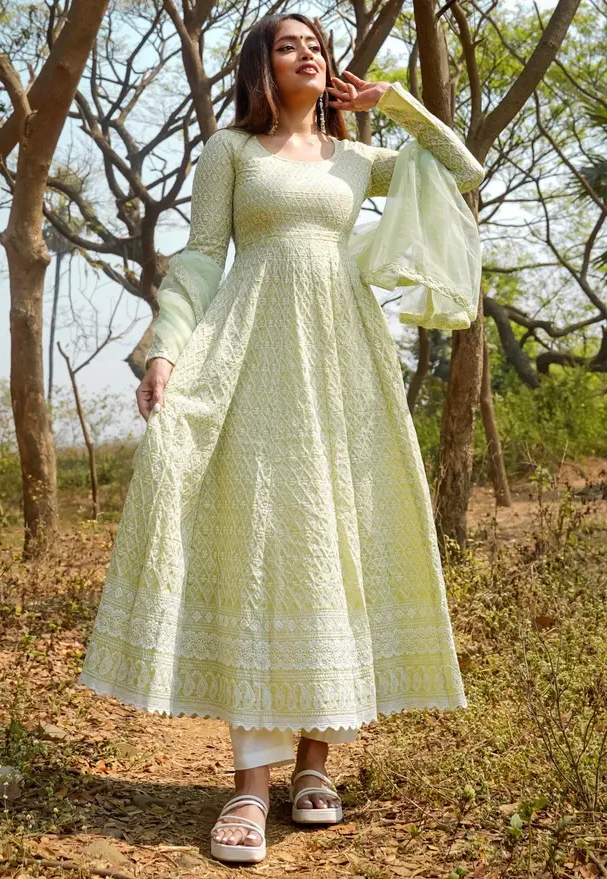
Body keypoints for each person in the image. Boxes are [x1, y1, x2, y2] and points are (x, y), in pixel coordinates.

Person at [77, 11, 485, 865]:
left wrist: (394, 103)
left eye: (319, 45)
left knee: (332, 538)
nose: (310, 54)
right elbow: (200, 257)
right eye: (291, 43)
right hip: (252, 349)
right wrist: (164, 349)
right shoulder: (230, 149)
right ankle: (250, 785)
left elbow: (463, 170)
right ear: (262, 63)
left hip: (343, 358)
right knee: (264, 543)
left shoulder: (356, 158)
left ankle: (316, 764)